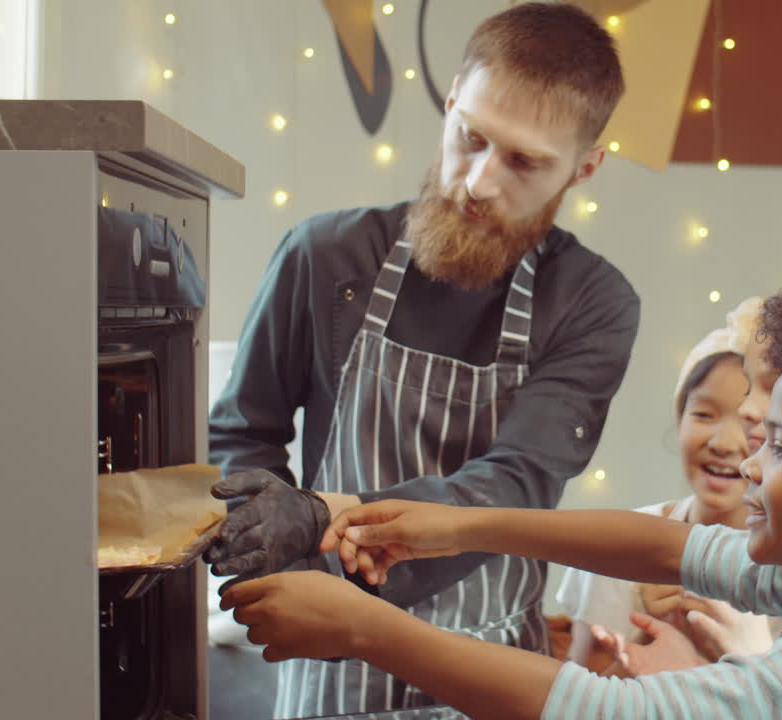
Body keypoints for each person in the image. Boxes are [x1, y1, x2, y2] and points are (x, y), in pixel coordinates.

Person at [222, 278, 782, 719]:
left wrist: (367, 628)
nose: (751, 465)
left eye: (779, 447)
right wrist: (454, 524)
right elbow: (668, 547)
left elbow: (606, 715)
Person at [203, 3, 636, 715]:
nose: (479, 181)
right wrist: (267, 533)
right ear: (451, 97)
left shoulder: (593, 301)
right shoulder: (323, 256)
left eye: (524, 161)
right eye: (470, 137)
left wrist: (321, 520)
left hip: (493, 674)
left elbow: (517, 484)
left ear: (584, 168)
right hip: (329, 658)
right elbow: (245, 434)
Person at [555, 298, 778, 673]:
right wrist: (646, 640)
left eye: (747, 420)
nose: (724, 443)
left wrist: (743, 650)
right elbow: (580, 697)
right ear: (679, 420)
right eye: (704, 414)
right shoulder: (621, 550)